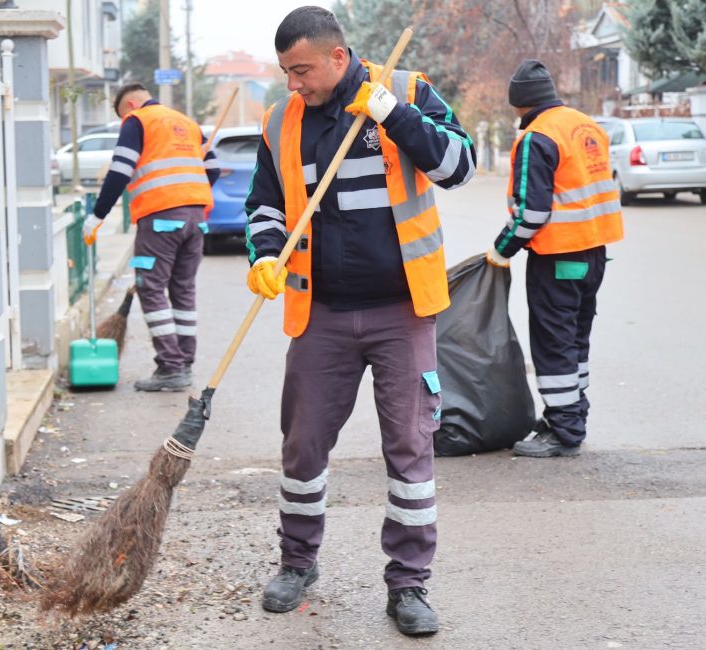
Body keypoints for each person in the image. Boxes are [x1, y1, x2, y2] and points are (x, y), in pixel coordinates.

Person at [244, 6, 475, 636]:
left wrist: (392, 116)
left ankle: (408, 585)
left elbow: (460, 167)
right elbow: (265, 206)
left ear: (338, 58)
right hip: (320, 314)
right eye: (286, 72)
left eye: (302, 70)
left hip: (402, 312)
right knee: (303, 445)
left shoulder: (406, 91)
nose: (294, 83)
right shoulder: (280, 122)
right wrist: (266, 255)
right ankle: (297, 564)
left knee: (409, 448)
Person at [485, 60, 624, 457]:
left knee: (554, 342)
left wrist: (501, 249)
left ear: (520, 104)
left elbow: (532, 212)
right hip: (593, 253)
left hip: (559, 256)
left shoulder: (537, 137)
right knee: (575, 341)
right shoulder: (585, 125)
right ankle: (572, 414)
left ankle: (563, 432)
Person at [83, 83, 220, 392]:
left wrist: (98, 215)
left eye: (121, 116)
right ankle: (183, 362)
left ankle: (171, 367)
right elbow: (212, 168)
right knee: (183, 290)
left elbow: (120, 170)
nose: (123, 122)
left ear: (130, 106)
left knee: (151, 288)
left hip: (160, 219)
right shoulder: (186, 122)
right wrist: (188, 194)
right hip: (196, 219)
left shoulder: (138, 121)